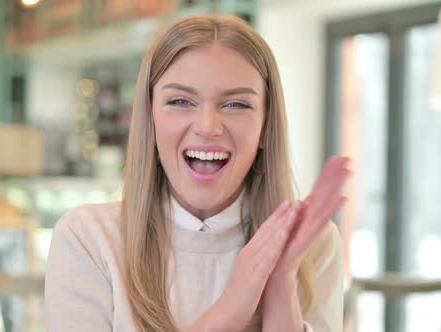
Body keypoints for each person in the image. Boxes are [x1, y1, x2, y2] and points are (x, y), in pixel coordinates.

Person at [45, 14, 350, 332]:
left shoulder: (315, 245)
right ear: (150, 119)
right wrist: (231, 307)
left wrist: (280, 284)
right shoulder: (88, 238)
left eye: (236, 105)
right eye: (179, 101)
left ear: (265, 127)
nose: (207, 127)